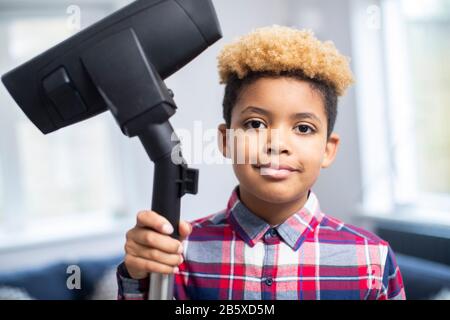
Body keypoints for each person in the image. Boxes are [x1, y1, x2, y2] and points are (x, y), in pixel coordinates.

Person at [116, 25, 406, 300]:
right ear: (227, 141)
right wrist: (137, 276)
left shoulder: (373, 259)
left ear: (328, 150)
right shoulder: (177, 252)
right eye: (255, 123)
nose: (276, 144)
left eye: (303, 128)